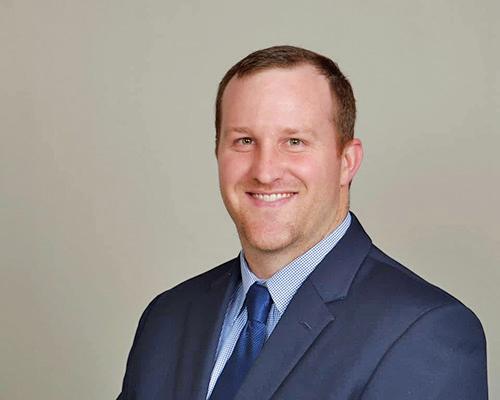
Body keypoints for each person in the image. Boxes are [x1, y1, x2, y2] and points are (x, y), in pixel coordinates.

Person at [117, 45, 488, 399]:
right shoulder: (167, 318)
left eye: (294, 141)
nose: (265, 172)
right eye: (244, 141)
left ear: (347, 162)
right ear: (218, 153)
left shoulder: (424, 332)